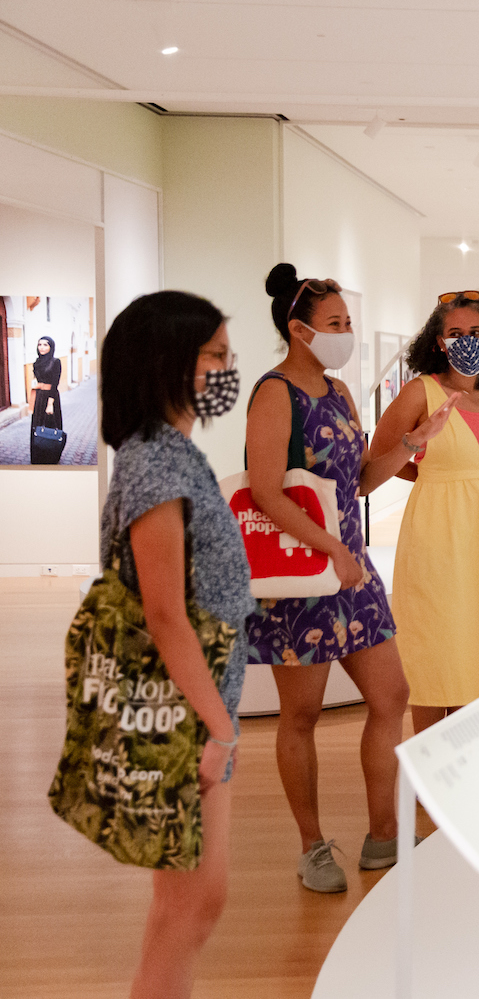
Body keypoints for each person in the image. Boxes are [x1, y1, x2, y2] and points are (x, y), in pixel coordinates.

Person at [244, 263, 457, 893]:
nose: (346, 332)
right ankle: (312, 846)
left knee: (390, 697)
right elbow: (263, 490)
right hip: (301, 578)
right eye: (336, 323)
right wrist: (330, 547)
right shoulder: (274, 393)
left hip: (352, 575)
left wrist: (412, 444)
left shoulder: (337, 394)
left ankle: (382, 837)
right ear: (299, 329)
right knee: (301, 715)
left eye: (348, 322)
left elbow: (356, 479)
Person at [98, 291, 254, 998]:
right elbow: (165, 615)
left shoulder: (171, 453)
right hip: (179, 714)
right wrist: (217, 727)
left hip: (195, 707)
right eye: (215, 355)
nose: (228, 369)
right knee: (190, 902)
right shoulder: (156, 465)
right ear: (168, 363)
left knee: (194, 899)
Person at [374, 291, 479, 734]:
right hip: (440, 531)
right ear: (438, 341)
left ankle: (471, 758)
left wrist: (474, 482)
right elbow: (379, 457)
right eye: (455, 333)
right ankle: (432, 769)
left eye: (475, 332)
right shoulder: (422, 391)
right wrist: (435, 478)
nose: (466, 341)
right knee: (438, 646)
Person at [28, 335, 64, 463]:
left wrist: (50, 404)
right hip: (39, 398)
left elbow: (54, 384)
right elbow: (38, 379)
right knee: (37, 426)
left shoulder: (55, 362)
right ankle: (38, 454)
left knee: (50, 426)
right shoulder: (36, 363)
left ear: (51, 347)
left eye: (45, 345)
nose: (42, 347)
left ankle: (51, 455)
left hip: (50, 398)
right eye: (39, 344)